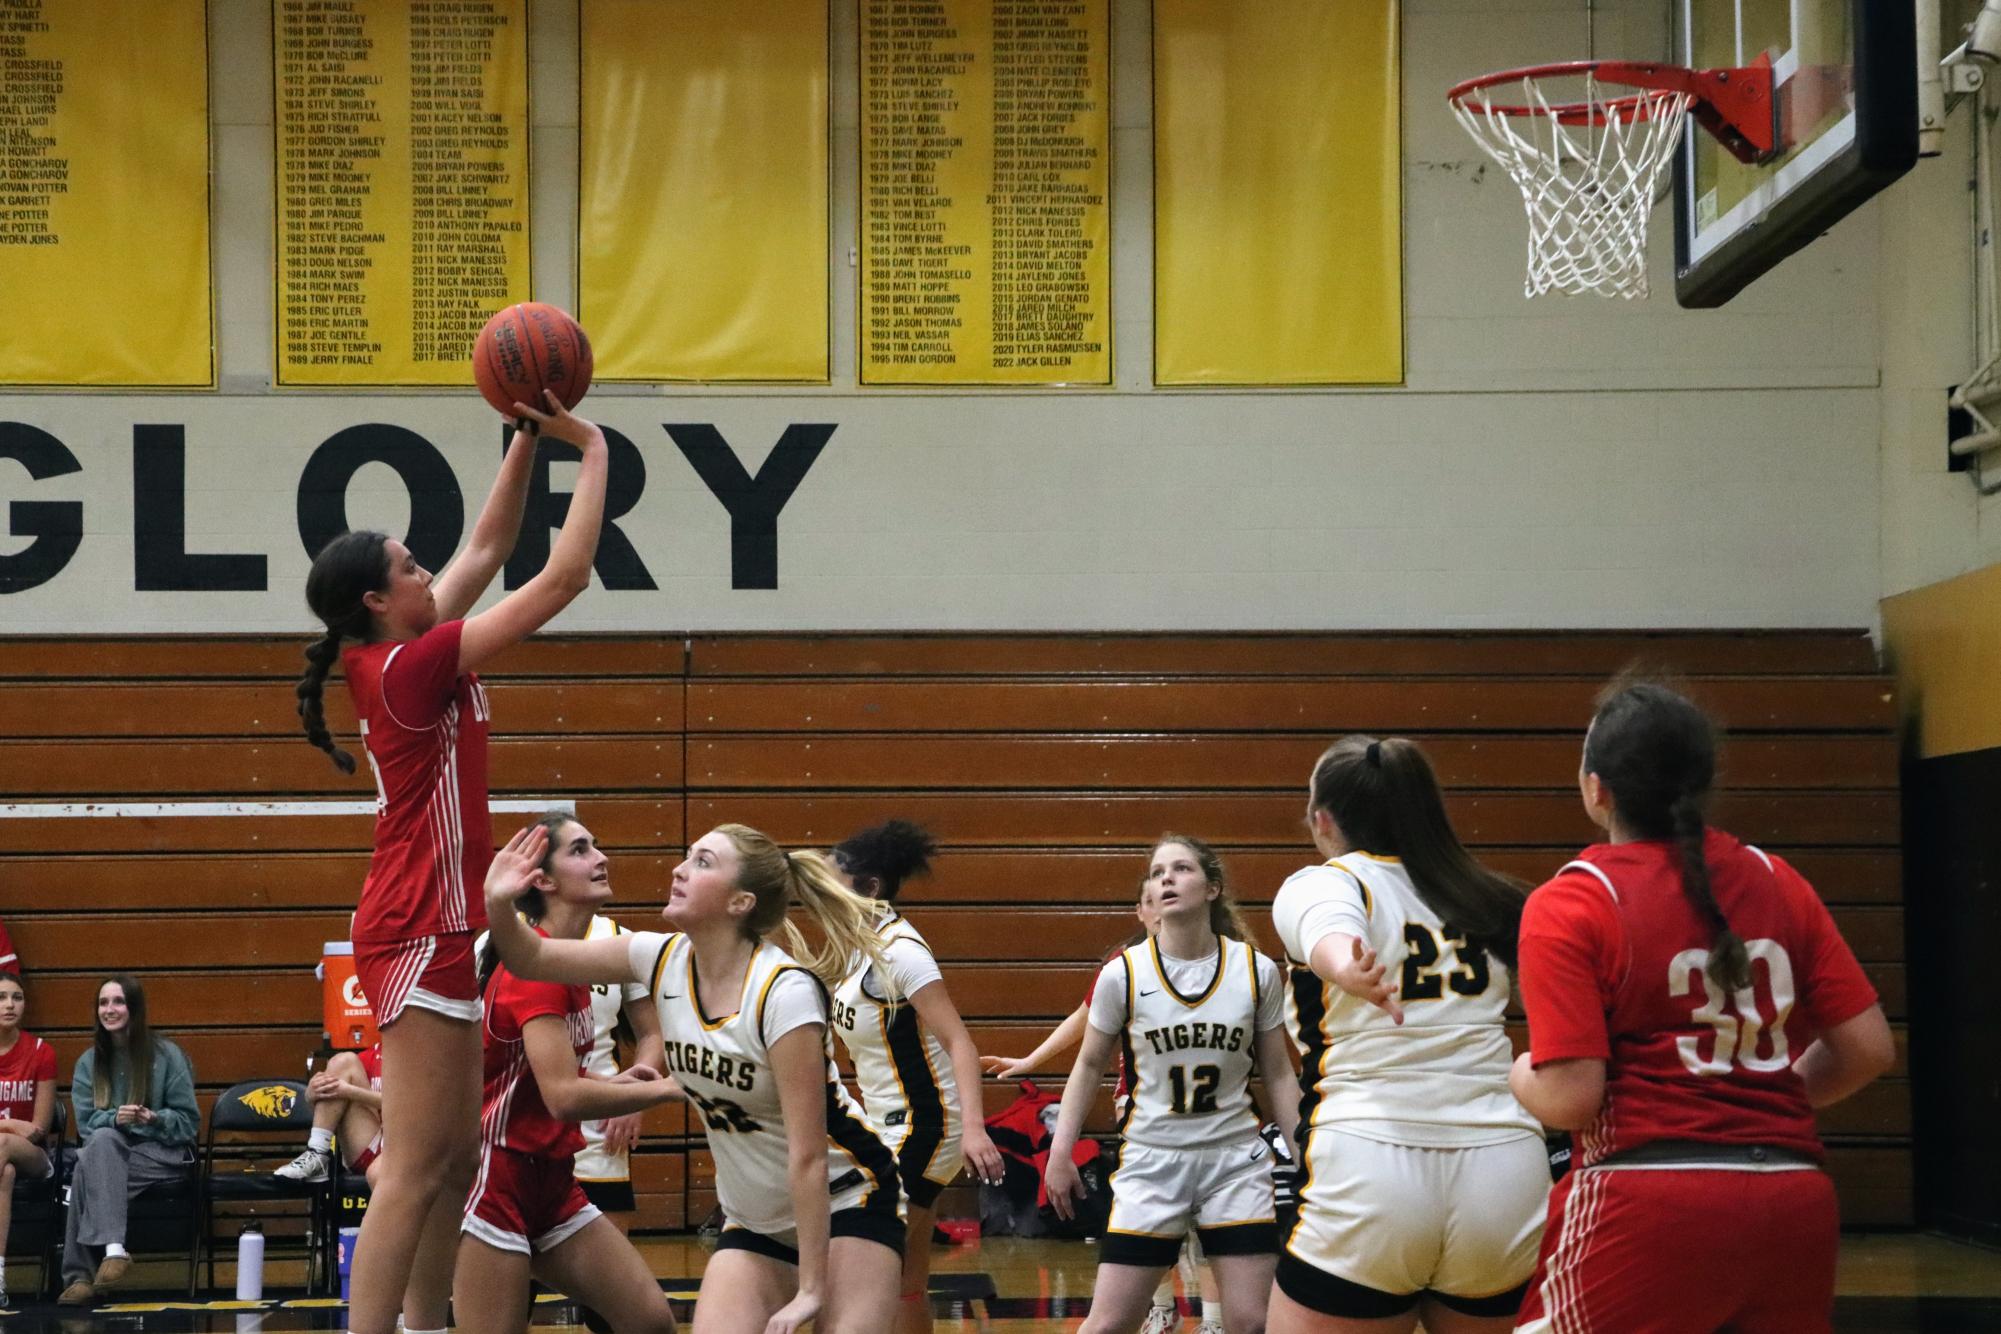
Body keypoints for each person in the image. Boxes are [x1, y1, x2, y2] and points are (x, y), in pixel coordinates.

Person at [293, 390, 610, 1334]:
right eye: (408, 565)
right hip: (416, 921)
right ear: (377, 601)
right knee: (416, 1165)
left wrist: (522, 437)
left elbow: (484, 548)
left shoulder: (407, 648)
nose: (428, 569)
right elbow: (562, 579)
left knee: (457, 1155)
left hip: (436, 921)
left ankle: (421, 1325)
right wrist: (589, 448)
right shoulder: (409, 668)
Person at [1509, 682, 1895, 1333]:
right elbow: (1868, 1050)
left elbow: (1570, 1097)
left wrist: (1519, 1073)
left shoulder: (1574, 900)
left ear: (1594, 789)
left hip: (1647, 1197)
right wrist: (1753, 1096)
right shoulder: (1777, 879)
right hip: (1792, 1199)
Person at [482, 821, 908, 1334]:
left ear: (740, 902)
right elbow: (531, 957)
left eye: (703, 862)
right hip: (754, 1220)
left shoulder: (783, 992)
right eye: (687, 857)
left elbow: (808, 1154)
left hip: (847, 1200)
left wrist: (811, 1290)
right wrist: (498, 900)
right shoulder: (658, 958)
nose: (679, 870)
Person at [1268, 735, 1546, 1334]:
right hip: (1505, 1174)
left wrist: (1346, 965)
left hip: (1371, 1165)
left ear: (1322, 820)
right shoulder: (1489, 895)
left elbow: (1326, 927)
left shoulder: (1331, 880)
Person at [1045, 836, 1300, 1334]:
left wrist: (1302, 1154)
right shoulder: (1122, 973)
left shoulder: (1257, 971)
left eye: (1181, 868)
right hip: (1153, 1160)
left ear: (1212, 888)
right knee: (1109, 1323)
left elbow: (1278, 1073)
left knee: (1251, 1323)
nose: (1166, 878)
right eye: (1157, 871)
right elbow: (1089, 1064)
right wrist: (1060, 1153)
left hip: (1234, 1161)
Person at [454, 811, 680, 1334]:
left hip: (552, 1178)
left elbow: (541, 1085)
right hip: (495, 1178)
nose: (601, 857)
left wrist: (619, 1084)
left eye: (596, 846)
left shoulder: (571, 959)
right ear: (544, 881)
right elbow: (559, 1096)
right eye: (580, 850)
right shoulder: (536, 971)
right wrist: (669, 1088)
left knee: (650, 1323)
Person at [982, 882, 1228, 1334]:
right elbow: (1084, 1019)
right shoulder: (1124, 967)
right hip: (1142, 1108)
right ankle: (1161, 1309)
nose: (1162, 910)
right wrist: (1031, 1060)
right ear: (1140, 911)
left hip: (1213, 1112)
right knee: (1149, 1218)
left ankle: (1213, 1321)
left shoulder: (1228, 961)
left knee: (1208, 1222)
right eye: (1153, 901)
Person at [826, 819, 1006, 1334]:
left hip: (926, 1124)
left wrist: (974, 1129)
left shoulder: (901, 952)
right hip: (885, 1120)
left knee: (866, 1259)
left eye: (832, 879)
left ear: (870, 888)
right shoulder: (856, 948)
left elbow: (959, 1042)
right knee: (906, 1274)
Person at [57, 976, 200, 1306]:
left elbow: (189, 1122)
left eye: (118, 1001)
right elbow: (88, 1125)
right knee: (101, 1145)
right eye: (103, 1003)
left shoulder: (168, 1055)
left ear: (134, 1007)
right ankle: (111, 1253)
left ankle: (80, 1273)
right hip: (110, 1152)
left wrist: (155, 1118)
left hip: (161, 1154)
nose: (110, 1009)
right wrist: (115, 1118)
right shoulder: (88, 1063)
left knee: (88, 1165)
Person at [0, 971, 56, 1309]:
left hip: (36, 1158)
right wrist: (11, 1124)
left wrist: (11, 1129)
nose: (10, 1004)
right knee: (3, 1172)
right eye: (2, 997)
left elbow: (38, 1128)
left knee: (3, 1146)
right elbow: (21, 1126)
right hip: (5, 1158)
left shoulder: (41, 1052)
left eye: (17, 997)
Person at [275, 1043, 385, 1186]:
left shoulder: (415, 1056)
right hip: (372, 1142)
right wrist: (311, 1096)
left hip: (407, 1147)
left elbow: (404, 1106)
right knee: (343, 1061)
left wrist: (350, 1092)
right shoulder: (366, 1058)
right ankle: (318, 1152)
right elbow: (329, 1113)